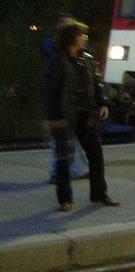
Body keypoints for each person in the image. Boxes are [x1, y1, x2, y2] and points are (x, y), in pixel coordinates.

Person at [44, 20, 117, 211]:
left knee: (96, 155)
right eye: (81, 35)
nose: (85, 38)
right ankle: (65, 199)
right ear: (71, 38)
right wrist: (54, 117)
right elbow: (51, 92)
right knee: (64, 159)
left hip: (87, 114)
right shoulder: (57, 61)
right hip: (65, 115)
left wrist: (103, 102)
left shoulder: (88, 59)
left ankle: (99, 194)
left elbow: (97, 83)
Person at [43, 13, 88, 184]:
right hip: (61, 103)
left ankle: (77, 168)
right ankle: (58, 172)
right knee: (59, 140)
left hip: (71, 103)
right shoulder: (53, 49)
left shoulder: (76, 53)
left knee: (70, 137)